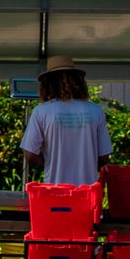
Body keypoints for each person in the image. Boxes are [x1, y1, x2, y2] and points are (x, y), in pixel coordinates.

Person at [20, 54, 112, 185]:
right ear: (78, 82)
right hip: (87, 193)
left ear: (48, 84)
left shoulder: (41, 111)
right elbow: (104, 156)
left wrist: (49, 162)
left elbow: (29, 154)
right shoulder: (96, 111)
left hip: (55, 190)